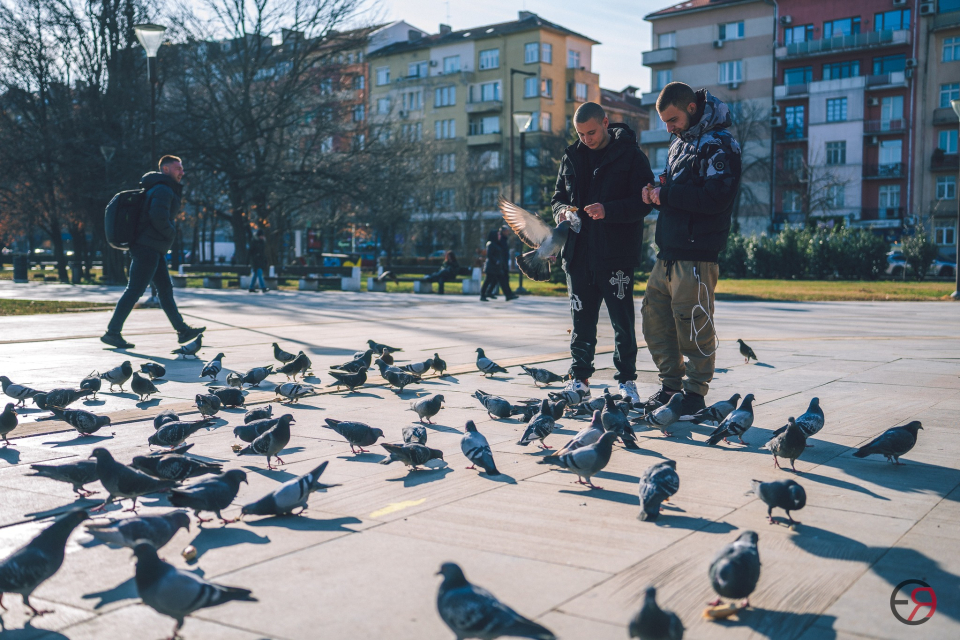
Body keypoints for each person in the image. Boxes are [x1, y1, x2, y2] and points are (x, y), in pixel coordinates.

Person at [640, 82, 742, 415]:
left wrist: (666, 195)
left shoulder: (721, 145)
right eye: (664, 123)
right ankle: (671, 388)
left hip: (697, 254)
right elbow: (677, 190)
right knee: (655, 320)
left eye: (672, 120)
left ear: (692, 109)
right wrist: (656, 190)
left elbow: (716, 198)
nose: (668, 128)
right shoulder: (679, 145)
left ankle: (695, 395)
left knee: (694, 323)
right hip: (668, 252)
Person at [551, 102, 654, 403]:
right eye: (581, 134)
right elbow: (557, 197)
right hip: (578, 255)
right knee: (581, 321)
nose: (587, 139)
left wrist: (607, 210)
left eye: (591, 132)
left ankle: (627, 382)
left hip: (616, 255)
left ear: (606, 123)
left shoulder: (631, 156)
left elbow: (644, 203)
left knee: (622, 322)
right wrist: (560, 212)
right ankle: (579, 379)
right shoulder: (571, 156)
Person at [101, 156, 204, 349]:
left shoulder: (159, 188)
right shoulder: (163, 190)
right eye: (177, 169)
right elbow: (158, 216)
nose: (182, 172)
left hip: (153, 247)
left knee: (165, 290)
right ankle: (112, 332)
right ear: (165, 170)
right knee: (135, 290)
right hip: (147, 248)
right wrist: (171, 233)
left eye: (181, 169)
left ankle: (182, 330)